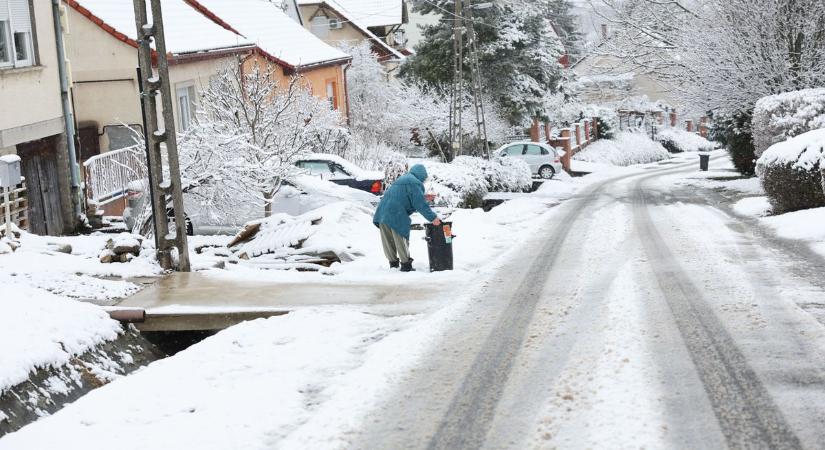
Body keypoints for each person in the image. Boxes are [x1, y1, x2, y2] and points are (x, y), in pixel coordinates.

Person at [373, 164, 442, 272]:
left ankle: (393, 265)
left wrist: (423, 198)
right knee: (401, 239)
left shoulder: (403, 179)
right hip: (396, 213)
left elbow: (403, 196)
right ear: (421, 175)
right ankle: (406, 265)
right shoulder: (415, 182)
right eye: (424, 179)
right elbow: (420, 205)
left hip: (382, 212)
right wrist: (433, 218)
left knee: (388, 240)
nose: (423, 181)